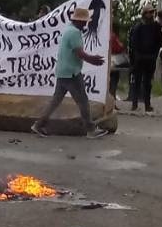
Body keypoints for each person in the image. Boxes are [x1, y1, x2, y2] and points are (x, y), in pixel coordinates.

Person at [31, 8, 109, 139]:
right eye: (84, 22)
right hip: (71, 73)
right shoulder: (74, 33)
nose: (85, 24)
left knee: (55, 101)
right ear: (78, 21)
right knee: (83, 101)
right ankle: (90, 129)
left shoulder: (68, 30)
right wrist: (93, 60)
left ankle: (39, 125)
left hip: (62, 71)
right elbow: (79, 52)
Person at [129, 4, 162, 115]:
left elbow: (159, 42)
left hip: (150, 58)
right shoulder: (138, 27)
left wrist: (154, 54)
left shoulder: (156, 26)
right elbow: (133, 43)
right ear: (144, 14)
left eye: (152, 12)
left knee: (147, 82)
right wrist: (135, 57)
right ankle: (134, 104)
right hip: (139, 58)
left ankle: (147, 104)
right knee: (137, 81)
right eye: (148, 12)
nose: (150, 14)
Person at [109, 22, 128, 106]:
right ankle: (112, 103)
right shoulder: (113, 36)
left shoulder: (107, 35)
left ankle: (111, 103)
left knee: (110, 83)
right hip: (114, 62)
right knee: (113, 83)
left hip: (109, 61)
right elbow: (118, 47)